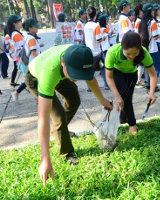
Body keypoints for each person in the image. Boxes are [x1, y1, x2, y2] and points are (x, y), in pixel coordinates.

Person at [25, 44, 113, 187]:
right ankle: (66, 153)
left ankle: (60, 130)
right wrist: (45, 157)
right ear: (63, 62)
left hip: (64, 72)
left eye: (80, 75)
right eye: (75, 75)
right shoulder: (49, 72)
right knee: (58, 116)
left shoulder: (80, 56)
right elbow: (42, 117)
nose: (77, 79)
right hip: (36, 76)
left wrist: (102, 100)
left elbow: (91, 80)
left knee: (74, 100)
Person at [105, 31, 157, 134]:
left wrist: (151, 92)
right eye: (128, 53)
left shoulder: (144, 53)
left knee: (127, 97)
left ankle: (123, 119)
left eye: (135, 53)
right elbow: (109, 77)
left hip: (132, 74)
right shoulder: (112, 52)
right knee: (125, 96)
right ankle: (132, 124)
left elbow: (153, 75)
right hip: (117, 73)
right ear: (122, 47)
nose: (131, 56)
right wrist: (117, 96)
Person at [11, 18, 44, 103]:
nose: (37, 28)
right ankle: (38, 99)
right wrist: (40, 64)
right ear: (30, 28)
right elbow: (34, 53)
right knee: (32, 81)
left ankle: (37, 98)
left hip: (31, 63)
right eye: (35, 27)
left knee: (31, 81)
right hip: (34, 64)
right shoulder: (31, 38)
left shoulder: (27, 36)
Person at [84, 7, 108, 90]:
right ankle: (106, 84)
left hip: (89, 52)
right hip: (97, 52)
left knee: (91, 70)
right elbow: (99, 40)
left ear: (87, 16)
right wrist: (104, 38)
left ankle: (89, 87)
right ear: (96, 15)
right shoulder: (96, 26)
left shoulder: (86, 25)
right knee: (103, 68)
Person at [139, 3, 160, 92]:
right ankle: (153, 85)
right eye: (152, 10)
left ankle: (149, 84)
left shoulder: (141, 22)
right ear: (149, 11)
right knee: (157, 67)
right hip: (153, 48)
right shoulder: (152, 22)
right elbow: (156, 36)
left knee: (149, 67)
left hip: (145, 49)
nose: (153, 12)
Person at [134, 4, 146, 86]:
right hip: (140, 43)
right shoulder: (139, 21)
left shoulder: (138, 20)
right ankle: (138, 80)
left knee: (143, 63)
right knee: (141, 63)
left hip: (140, 43)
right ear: (140, 11)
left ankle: (145, 78)